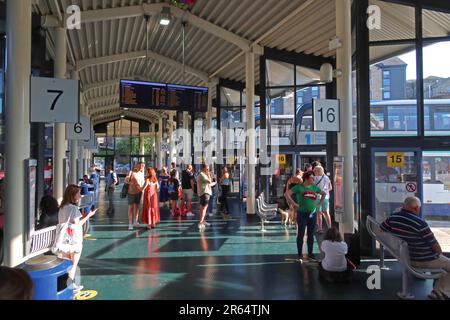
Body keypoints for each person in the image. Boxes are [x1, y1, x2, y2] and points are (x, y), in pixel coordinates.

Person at [381, 196, 450, 300]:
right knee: (445, 263)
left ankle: (437, 291)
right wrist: (439, 254)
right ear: (416, 208)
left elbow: (382, 228)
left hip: (406, 257)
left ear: (404, 206)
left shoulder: (393, 217)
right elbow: (435, 246)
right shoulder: (420, 223)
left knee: (440, 263)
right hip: (421, 260)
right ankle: (440, 292)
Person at [58, 184, 97, 292]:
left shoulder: (62, 207)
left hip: (64, 239)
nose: (80, 195)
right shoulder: (74, 209)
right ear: (73, 195)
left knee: (65, 262)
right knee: (73, 264)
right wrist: (89, 216)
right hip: (74, 240)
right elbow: (77, 224)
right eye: (78, 193)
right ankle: (71, 286)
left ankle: (63, 285)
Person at [285, 171, 326, 261]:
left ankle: (310, 253)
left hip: (312, 214)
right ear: (306, 179)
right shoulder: (299, 187)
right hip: (301, 214)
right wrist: (294, 203)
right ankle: (300, 253)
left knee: (311, 235)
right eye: (312, 178)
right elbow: (287, 194)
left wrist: (320, 204)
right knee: (301, 234)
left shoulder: (315, 188)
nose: (313, 179)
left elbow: (324, 193)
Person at [126, 162, 146, 230]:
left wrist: (143, 189)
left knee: (137, 207)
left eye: (142, 167)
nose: (141, 168)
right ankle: (130, 223)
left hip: (139, 192)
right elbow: (126, 180)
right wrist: (131, 183)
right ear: (136, 165)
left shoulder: (141, 173)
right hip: (131, 192)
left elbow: (143, 182)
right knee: (131, 207)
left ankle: (135, 221)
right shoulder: (131, 172)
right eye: (140, 166)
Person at [313, 166, 332, 233]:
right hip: (326, 197)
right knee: (326, 213)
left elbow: (312, 187)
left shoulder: (314, 178)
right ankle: (330, 228)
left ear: (317, 171)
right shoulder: (327, 178)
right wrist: (325, 190)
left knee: (319, 213)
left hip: (317, 197)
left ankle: (320, 228)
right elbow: (330, 188)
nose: (314, 172)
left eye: (315, 171)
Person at [197, 164, 212, 231]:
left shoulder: (202, 175)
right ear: (203, 168)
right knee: (204, 208)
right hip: (204, 193)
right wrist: (208, 173)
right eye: (207, 168)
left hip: (203, 193)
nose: (208, 170)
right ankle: (200, 223)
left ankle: (203, 221)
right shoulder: (203, 175)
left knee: (203, 208)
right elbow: (210, 181)